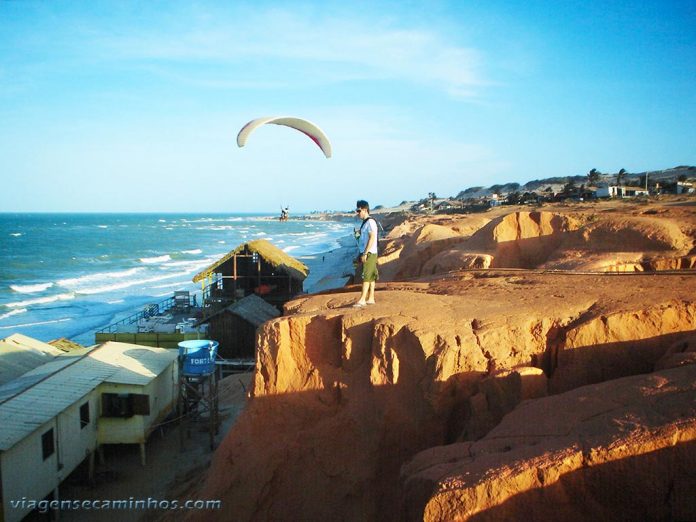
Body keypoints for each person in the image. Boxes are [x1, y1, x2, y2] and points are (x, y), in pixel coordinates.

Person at [353, 199, 378, 307]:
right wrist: (357, 235)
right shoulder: (365, 223)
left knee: (366, 276)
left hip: (370, 253)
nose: (357, 213)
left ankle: (363, 299)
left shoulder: (370, 222)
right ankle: (371, 298)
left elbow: (372, 237)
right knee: (371, 275)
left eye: (358, 211)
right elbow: (364, 239)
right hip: (369, 252)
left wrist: (365, 253)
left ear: (365, 209)